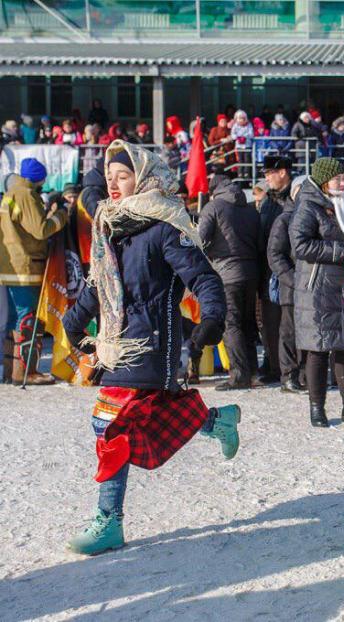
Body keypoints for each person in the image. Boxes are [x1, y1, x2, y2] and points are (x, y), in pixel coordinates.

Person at [61, 140, 238, 556]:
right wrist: (73, 320)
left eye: (122, 176)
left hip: (152, 343)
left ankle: (109, 522)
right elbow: (103, 287)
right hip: (117, 343)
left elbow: (204, 278)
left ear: (142, 176)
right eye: (109, 178)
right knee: (146, 414)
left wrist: (212, 316)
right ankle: (216, 422)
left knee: (110, 425)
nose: (114, 184)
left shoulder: (165, 227)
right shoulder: (113, 227)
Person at [290, 157, 344, 428]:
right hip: (318, 288)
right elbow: (300, 246)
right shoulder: (308, 205)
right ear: (324, 180)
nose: (343, 182)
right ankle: (317, 408)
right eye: (338, 178)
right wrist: (343, 252)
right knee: (318, 349)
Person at [0, 158, 67, 385]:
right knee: (28, 319)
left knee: (13, 321)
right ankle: (26, 371)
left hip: (11, 268)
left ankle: (11, 370)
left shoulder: (10, 193)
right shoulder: (26, 194)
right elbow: (40, 230)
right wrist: (61, 215)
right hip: (27, 265)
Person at [198, 171, 262, 390]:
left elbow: (202, 239)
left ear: (213, 191)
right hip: (251, 272)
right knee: (248, 323)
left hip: (226, 273)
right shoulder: (250, 208)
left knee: (231, 324)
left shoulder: (213, 208)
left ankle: (239, 375)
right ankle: (254, 371)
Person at [256, 155, 294, 385]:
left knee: (289, 320)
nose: (266, 178)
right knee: (269, 320)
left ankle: (290, 367)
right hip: (267, 268)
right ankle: (273, 364)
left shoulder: (295, 196)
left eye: (270, 173)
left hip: (288, 265)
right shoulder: (268, 201)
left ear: (282, 172)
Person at [267, 176, 304, 393]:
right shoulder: (284, 219)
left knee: (307, 333)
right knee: (289, 332)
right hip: (290, 287)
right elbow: (274, 254)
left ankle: (305, 374)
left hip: (310, 287)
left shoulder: (313, 217)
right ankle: (289, 376)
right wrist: (291, 278)